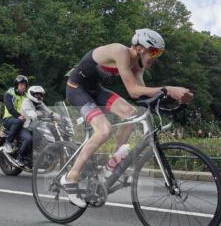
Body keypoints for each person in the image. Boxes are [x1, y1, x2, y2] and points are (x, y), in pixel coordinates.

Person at [61, 29, 193, 207]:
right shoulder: (120, 52)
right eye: (153, 51)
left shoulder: (138, 66)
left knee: (131, 113)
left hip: (95, 89)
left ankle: (112, 165)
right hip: (76, 88)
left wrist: (171, 99)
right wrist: (167, 88)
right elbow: (132, 90)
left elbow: (143, 96)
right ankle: (71, 177)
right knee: (104, 130)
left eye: (159, 53)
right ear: (139, 48)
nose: (155, 57)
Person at [17, 85, 59, 165]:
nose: (39, 96)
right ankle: (20, 157)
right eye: (36, 94)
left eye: (40, 94)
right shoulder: (26, 101)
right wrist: (40, 114)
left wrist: (60, 117)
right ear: (31, 94)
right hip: (25, 127)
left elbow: (49, 111)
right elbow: (31, 113)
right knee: (29, 139)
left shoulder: (40, 103)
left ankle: (40, 157)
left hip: (35, 127)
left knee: (46, 138)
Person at [1, 75, 29, 154]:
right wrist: (18, 116)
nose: (23, 87)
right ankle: (8, 143)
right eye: (21, 84)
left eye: (25, 85)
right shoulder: (9, 94)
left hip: (23, 120)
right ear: (17, 85)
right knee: (18, 121)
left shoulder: (27, 96)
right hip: (8, 119)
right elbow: (10, 108)